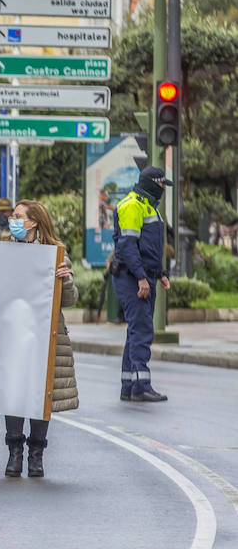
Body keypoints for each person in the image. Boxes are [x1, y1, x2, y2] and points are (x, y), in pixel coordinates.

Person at [2, 199, 77, 478]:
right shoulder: (4, 250)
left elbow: (69, 300)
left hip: (45, 335)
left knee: (40, 393)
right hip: (13, 333)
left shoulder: (55, 253)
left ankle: (36, 453)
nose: (13, 220)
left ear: (33, 222)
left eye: (19, 216)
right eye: (13, 216)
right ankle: (14, 452)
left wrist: (64, 278)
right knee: (14, 391)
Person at [112, 166, 172, 403]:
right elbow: (127, 247)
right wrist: (140, 277)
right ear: (151, 183)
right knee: (142, 330)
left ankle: (129, 385)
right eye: (161, 185)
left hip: (144, 276)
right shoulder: (131, 205)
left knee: (136, 331)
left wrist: (160, 273)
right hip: (132, 278)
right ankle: (140, 386)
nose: (162, 189)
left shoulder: (148, 207)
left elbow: (150, 249)